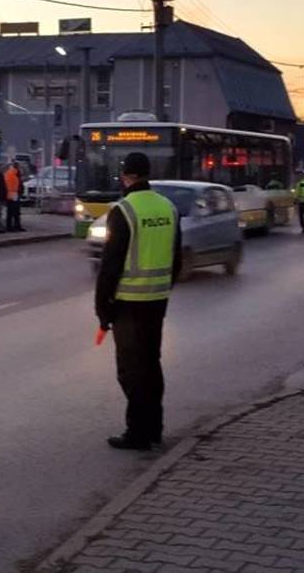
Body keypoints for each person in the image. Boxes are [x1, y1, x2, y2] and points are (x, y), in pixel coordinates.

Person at [95, 152, 182, 451]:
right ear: (147, 174)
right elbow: (177, 256)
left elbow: (110, 265)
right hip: (157, 300)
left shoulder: (123, 210)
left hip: (128, 303)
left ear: (126, 176)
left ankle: (138, 432)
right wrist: (164, 287)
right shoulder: (168, 207)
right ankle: (154, 427)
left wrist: (102, 309)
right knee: (151, 364)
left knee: (130, 370)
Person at [4, 161, 24, 231]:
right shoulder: (13, 174)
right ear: (17, 167)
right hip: (13, 195)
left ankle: (16, 226)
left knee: (15, 211)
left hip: (14, 194)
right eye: (20, 166)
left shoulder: (13, 173)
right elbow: (11, 185)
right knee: (12, 211)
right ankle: (11, 226)